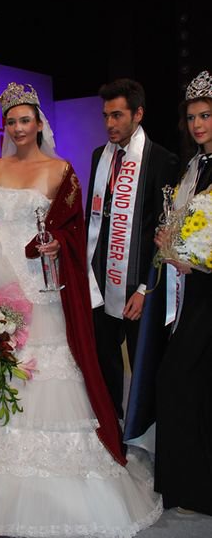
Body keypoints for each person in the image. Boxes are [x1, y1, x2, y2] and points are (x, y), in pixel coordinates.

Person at [0, 82, 162, 537]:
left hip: (42, 293)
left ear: (38, 123)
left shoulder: (61, 170)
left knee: (49, 378)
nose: (18, 128)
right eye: (11, 121)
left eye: (25, 120)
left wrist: (56, 245)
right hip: (1, 286)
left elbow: (75, 233)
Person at [85, 78, 179, 419]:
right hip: (100, 283)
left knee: (144, 367)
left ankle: (143, 432)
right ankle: (112, 426)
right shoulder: (100, 156)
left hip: (138, 287)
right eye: (106, 116)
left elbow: (165, 233)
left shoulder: (162, 160)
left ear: (138, 114)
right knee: (104, 363)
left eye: (118, 116)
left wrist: (144, 288)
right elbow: (93, 219)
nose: (110, 124)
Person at [154, 70, 212, 515]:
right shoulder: (194, 166)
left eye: (206, 115)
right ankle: (187, 485)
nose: (198, 125)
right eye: (192, 117)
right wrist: (169, 244)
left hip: (207, 289)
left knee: (183, 379)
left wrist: (199, 261)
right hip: (193, 291)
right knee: (188, 382)